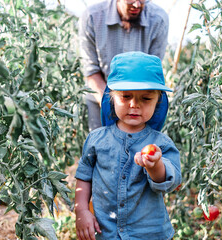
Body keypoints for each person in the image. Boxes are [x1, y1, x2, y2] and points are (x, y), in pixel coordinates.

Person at [74, 51, 181, 240]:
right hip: (106, 232)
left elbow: (168, 183)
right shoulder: (96, 140)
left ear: (158, 103)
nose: (134, 104)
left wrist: (155, 165)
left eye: (146, 99)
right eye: (125, 96)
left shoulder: (161, 143)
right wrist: (82, 211)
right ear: (112, 97)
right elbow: (84, 177)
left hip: (149, 234)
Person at [79, 0, 169, 131]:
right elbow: (91, 71)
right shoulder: (92, 17)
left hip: (140, 104)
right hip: (100, 96)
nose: (137, 4)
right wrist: (112, 106)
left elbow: (152, 72)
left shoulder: (158, 20)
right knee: (100, 145)